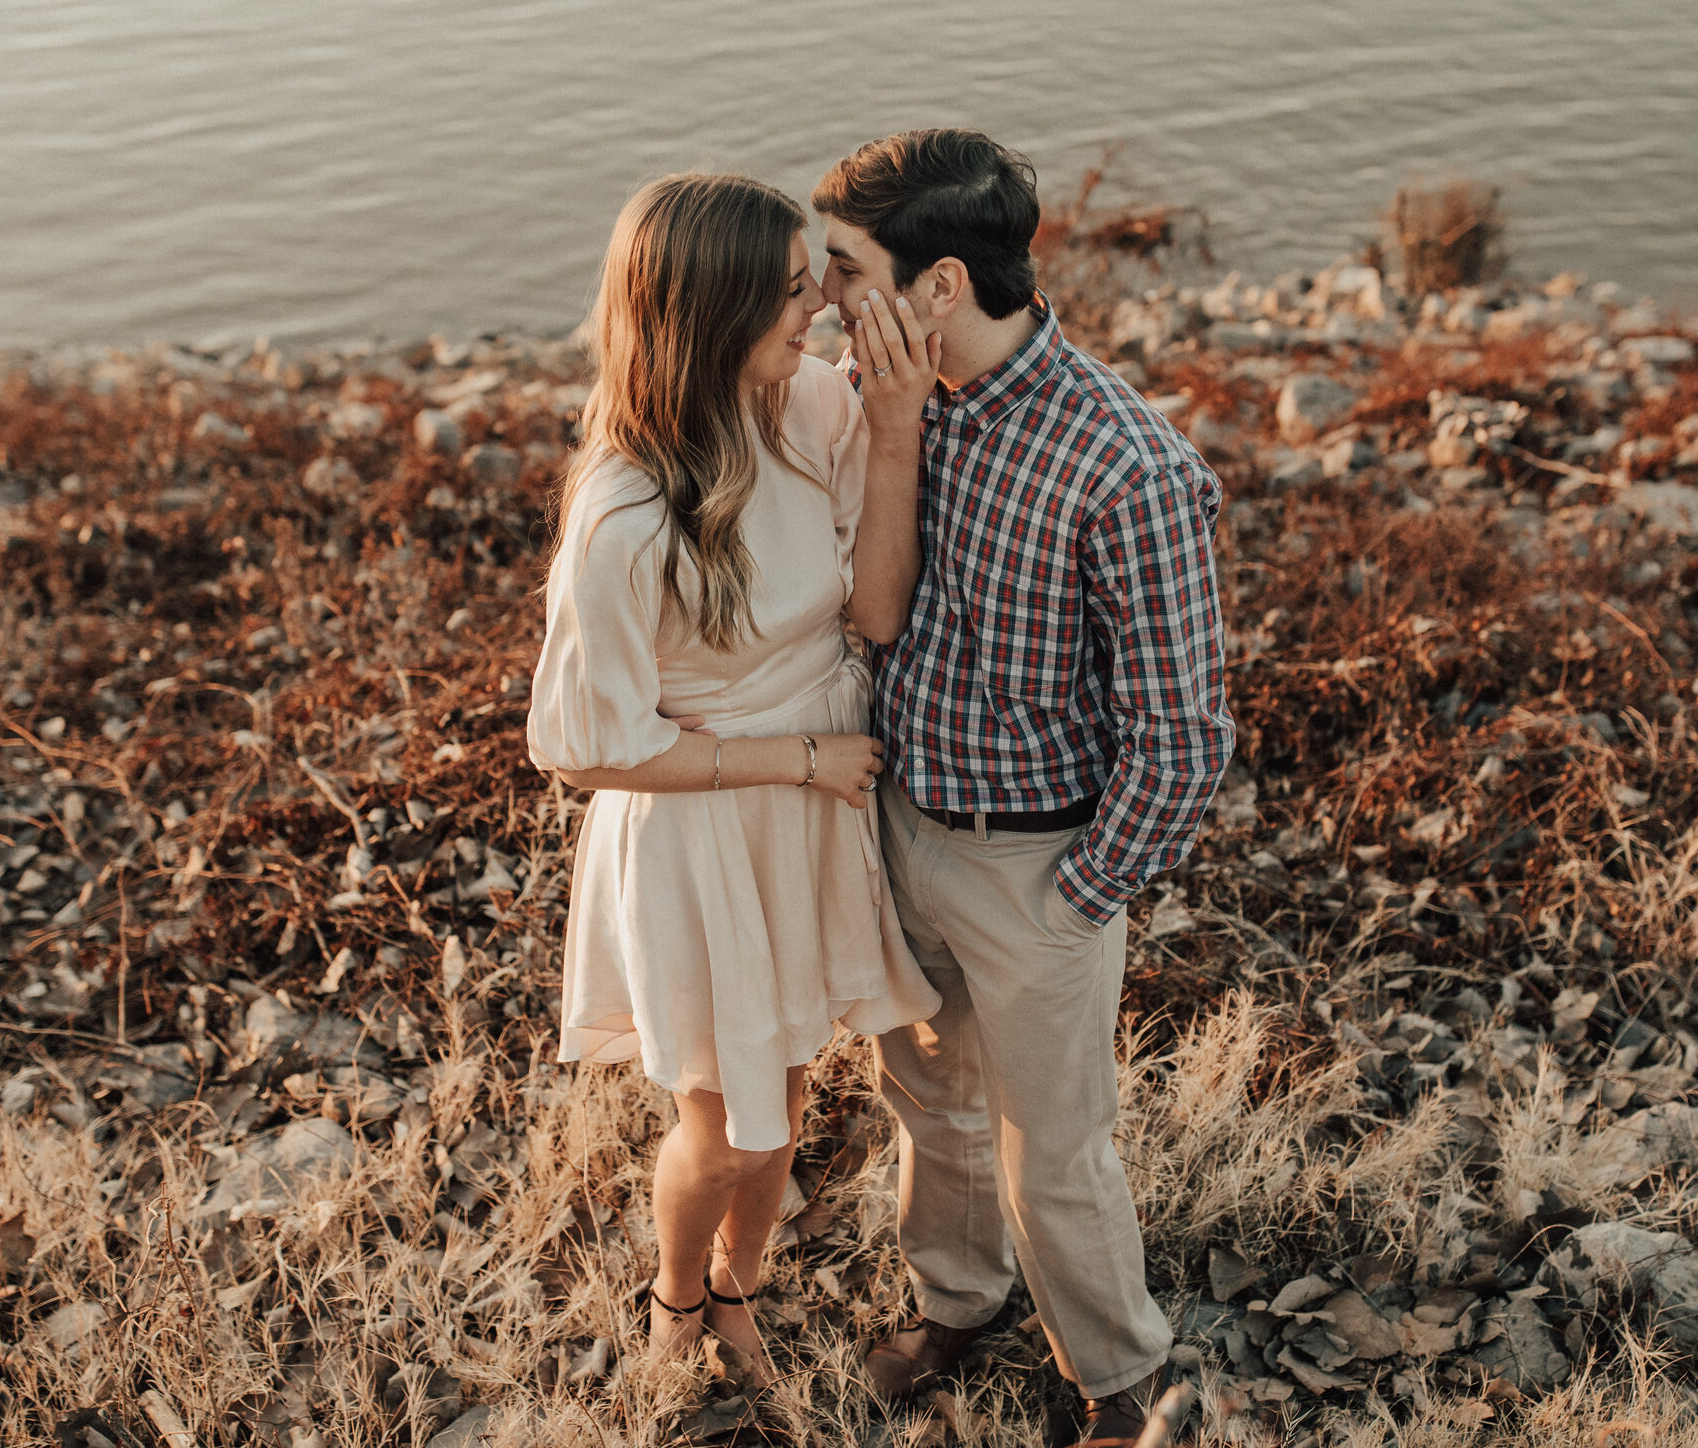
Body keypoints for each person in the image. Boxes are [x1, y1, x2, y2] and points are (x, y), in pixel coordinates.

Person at [813, 130, 1235, 1447]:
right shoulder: (881, 391)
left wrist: (1080, 895)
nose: (823, 295)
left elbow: (1182, 736)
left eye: (844, 270)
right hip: (897, 827)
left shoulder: (1128, 467)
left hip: (1034, 864)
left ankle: (1116, 1378)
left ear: (939, 284)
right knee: (928, 1100)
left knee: (1056, 1148)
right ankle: (960, 1297)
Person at [525, 171, 946, 1383]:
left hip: (811, 811)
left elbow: (872, 606)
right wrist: (800, 757)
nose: (811, 309)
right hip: (709, 822)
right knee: (717, 1121)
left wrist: (901, 428)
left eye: (810, 282)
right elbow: (581, 744)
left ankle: (738, 1286)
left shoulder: (806, 402)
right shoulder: (624, 513)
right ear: (704, 315)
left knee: (791, 1098)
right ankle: (670, 1300)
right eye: (783, 295)